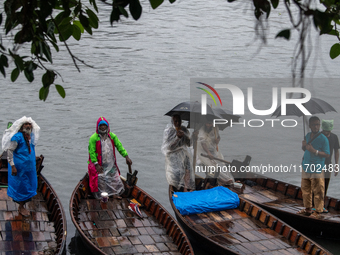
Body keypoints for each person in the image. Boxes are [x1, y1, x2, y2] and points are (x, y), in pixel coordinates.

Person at [1, 116, 40, 216]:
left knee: (29, 186)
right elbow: (10, 151)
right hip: (19, 169)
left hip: (29, 169)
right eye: (25, 124)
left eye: (29, 124)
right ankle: (21, 207)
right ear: (21, 127)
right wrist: (13, 166)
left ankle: (23, 205)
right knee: (21, 187)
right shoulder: (17, 137)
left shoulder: (30, 136)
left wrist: (34, 158)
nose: (28, 126)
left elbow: (29, 150)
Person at [88, 117, 132, 199]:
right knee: (101, 179)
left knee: (114, 177)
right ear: (98, 127)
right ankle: (104, 195)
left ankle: (114, 194)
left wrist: (126, 156)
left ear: (107, 126)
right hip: (98, 163)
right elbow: (92, 152)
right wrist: (96, 164)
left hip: (110, 162)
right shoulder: (93, 138)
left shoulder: (112, 136)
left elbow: (120, 147)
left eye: (105, 125)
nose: (103, 127)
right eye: (101, 125)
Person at [298, 116, 329, 218]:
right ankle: (308, 209)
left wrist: (314, 151)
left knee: (318, 189)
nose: (316, 127)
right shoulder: (307, 135)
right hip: (306, 165)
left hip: (317, 167)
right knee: (305, 188)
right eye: (314, 124)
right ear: (310, 125)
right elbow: (306, 150)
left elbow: (327, 154)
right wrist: (303, 146)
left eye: (318, 124)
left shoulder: (323, 138)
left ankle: (318, 211)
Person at [161, 115, 195, 191]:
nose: (177, 123)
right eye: (175, 121)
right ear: (172, 122)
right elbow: (169, 147)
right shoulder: (170, 131)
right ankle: (177, 188)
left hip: (183, 153)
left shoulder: (184, 129)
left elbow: (189, 143)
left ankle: (186, 188)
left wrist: (193, 137)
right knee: (177, 173)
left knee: (188, 169)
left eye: (179, 121)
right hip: (173, 155)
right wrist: (177, 138)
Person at [196, 121, 234, 186]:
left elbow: (218, 136)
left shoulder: (215, 128)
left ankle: (228, 179)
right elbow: (203, 143)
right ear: (205, 123)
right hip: (201, 151)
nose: (208, 125)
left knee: (221, 164)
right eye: (207, 123)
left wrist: (218, 140)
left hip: (212, 149)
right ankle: (222, 180)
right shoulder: (202, 131)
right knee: (210, 166)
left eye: (210, 123)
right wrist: (208, 153)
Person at [321, 119, 339, 198]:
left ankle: (321, 204)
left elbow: (336, 151)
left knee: (325, 184)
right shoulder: (318, 136)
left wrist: (336, 165)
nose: (326, 132)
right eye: (325, 130)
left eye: (328, 131)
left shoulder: (334, 137)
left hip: (328, 164)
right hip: (318, 164)